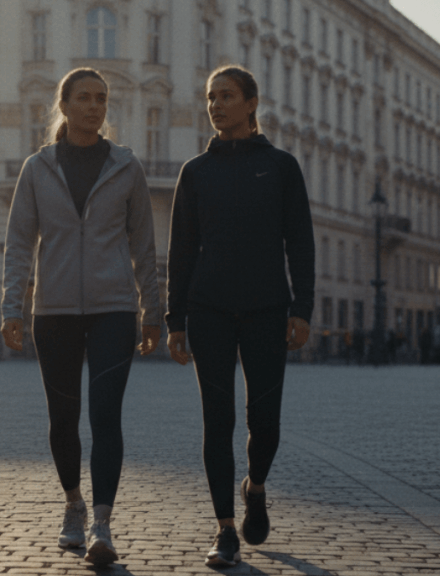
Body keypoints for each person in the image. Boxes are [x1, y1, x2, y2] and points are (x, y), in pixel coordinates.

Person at [0, 68, 161, 567]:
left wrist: (153, 311)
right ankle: (74, 504)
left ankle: (103, 525)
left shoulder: (126, 166)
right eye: (84, 98)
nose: (94, 106)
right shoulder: (37, 168)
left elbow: (144, 246)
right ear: (64, 106)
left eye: (101, 99)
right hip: (55, 311)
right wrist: (12, 307)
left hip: (115, 308)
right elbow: (20, 243)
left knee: (105, 416)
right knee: (63, 419)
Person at [164, 65, 314, 568]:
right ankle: (225, 529)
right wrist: (174, 319)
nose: (216, 105)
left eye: (226, 96)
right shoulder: (196, 172)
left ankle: (256, 484)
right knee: (217, 420)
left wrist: (303, 310)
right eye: (210, 97)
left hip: (268, 309)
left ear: (251, 103)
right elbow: (181, 250)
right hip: (208, 311)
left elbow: (301, 244)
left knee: (264, 421)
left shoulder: (281, 167)